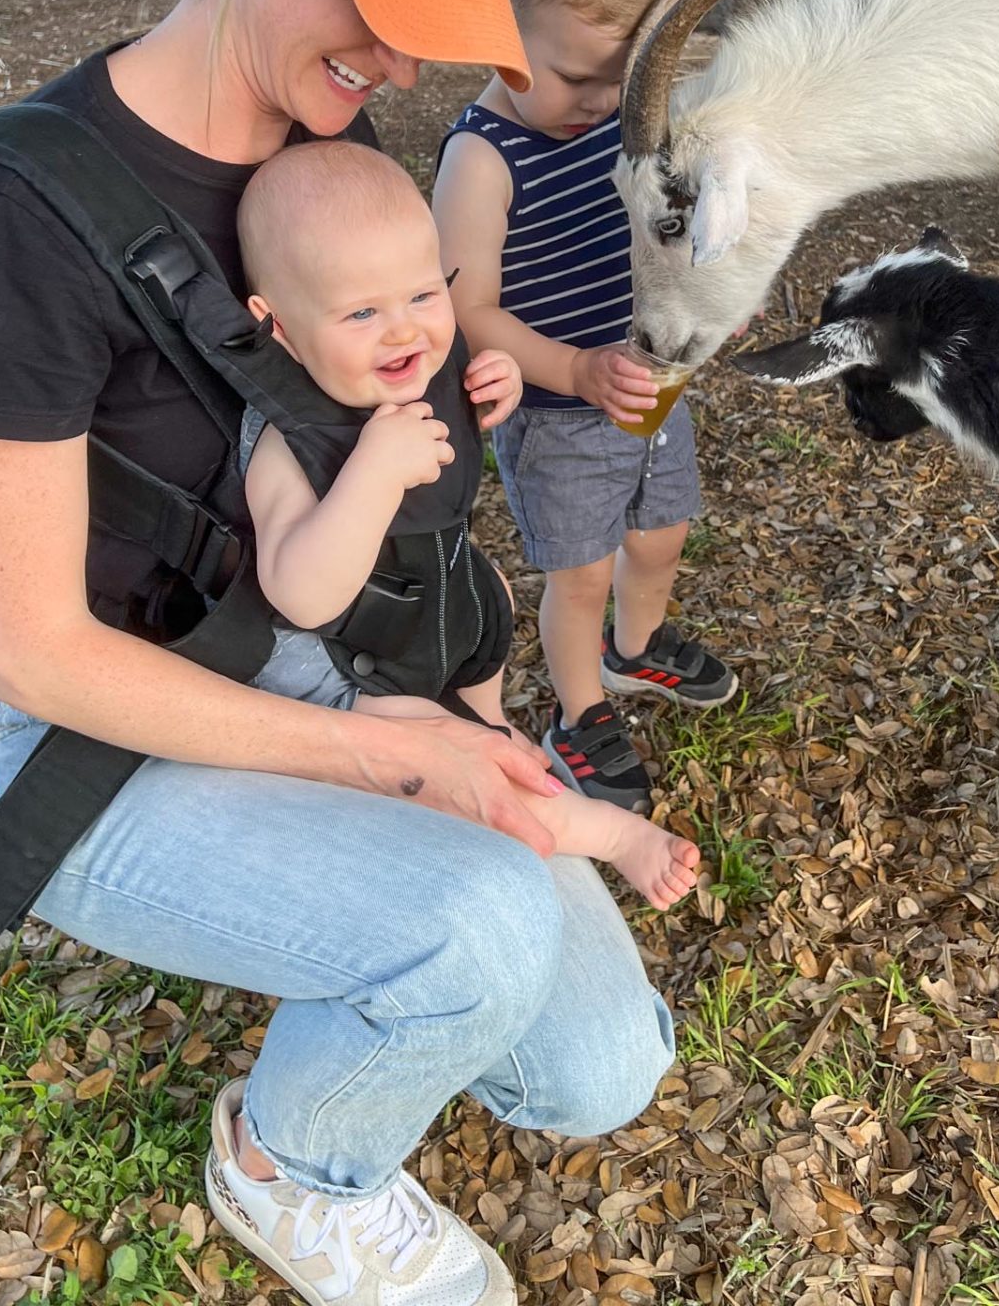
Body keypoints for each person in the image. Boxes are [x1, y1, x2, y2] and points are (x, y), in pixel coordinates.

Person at [0, 0, 675, 1306]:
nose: (397, 70)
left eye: (425, 34)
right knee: (473, 926)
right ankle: (287, 1163)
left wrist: (460, 447)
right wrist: (402, 759)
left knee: (603, 1070)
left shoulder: (333, 154)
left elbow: (392, 482)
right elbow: (37, 654)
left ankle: (401, 960)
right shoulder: (14, 211)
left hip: (351, 667)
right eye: (380, 14)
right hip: (120, 739)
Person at [236, 137, 700, 908]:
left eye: (424, 296)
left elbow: (452, 443)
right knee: (469, 763)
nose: (405, 332)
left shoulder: (427, 365)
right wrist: (373, 473)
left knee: (488, 725)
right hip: (365, 670)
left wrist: (500, 380)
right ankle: (614, 836)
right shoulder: (289, 438)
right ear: (276, 326)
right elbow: (302, 595)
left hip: (453, 617)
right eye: (361, 311)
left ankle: (494, 736)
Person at [433, 0, 737, 818]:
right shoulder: (481, 159)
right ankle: (580, 709)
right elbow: (466, 312)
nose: (604, 102)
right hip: (562, 414)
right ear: (498, 34)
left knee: (661, 534)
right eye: (576, 78)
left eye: (622, 79)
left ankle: (636, 645)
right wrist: (571, 371)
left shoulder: (615, 117)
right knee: (582, 572)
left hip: (645, 389)